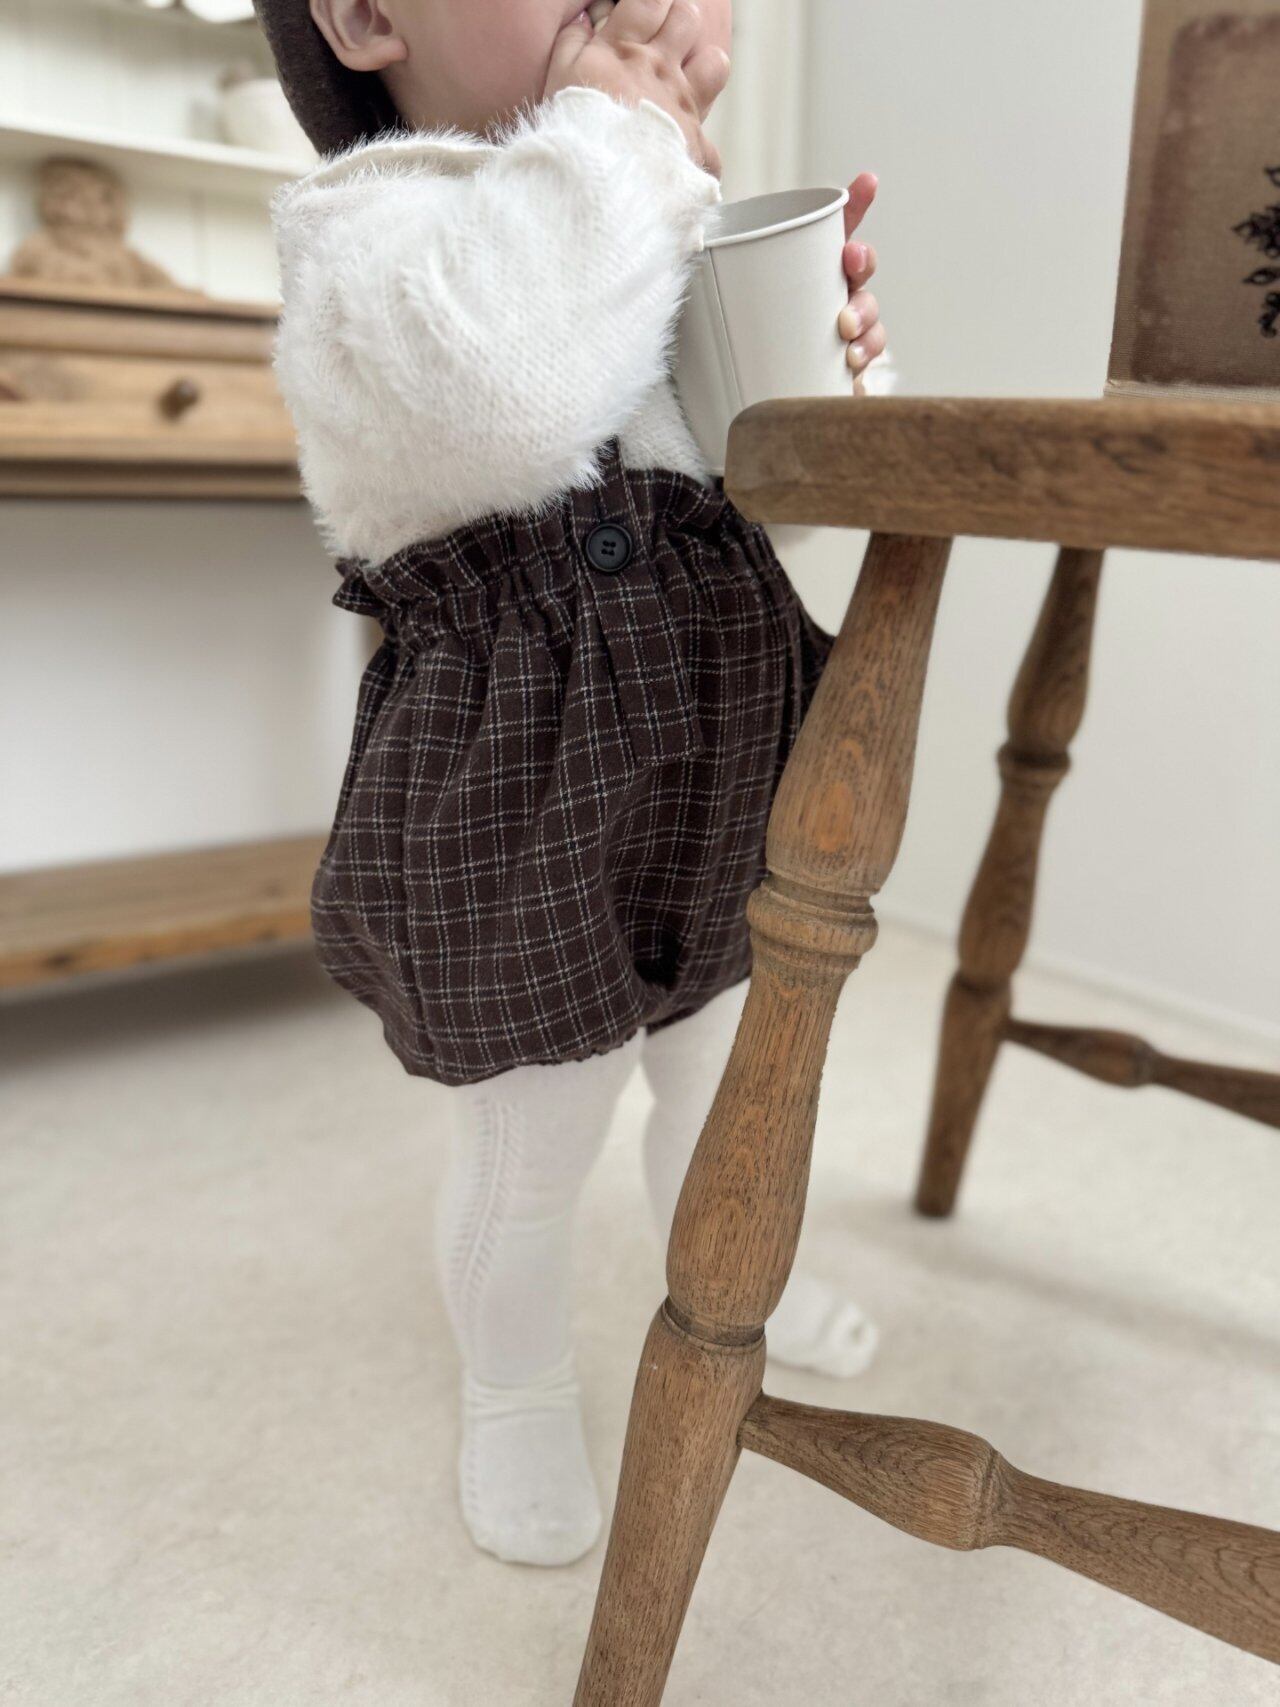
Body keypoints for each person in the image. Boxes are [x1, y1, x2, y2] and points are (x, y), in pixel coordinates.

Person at [255, 0, 891, 1568]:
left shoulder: (639, 211)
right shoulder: (363, 235)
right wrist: (624, 137)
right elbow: (515, 392)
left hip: (724, 743)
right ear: (369, 18)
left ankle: (735, 1269)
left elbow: (780, 499)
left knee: (737, 1083)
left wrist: (827, 362)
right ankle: (516, 1378)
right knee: (536, 1141)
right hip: (518, 792)